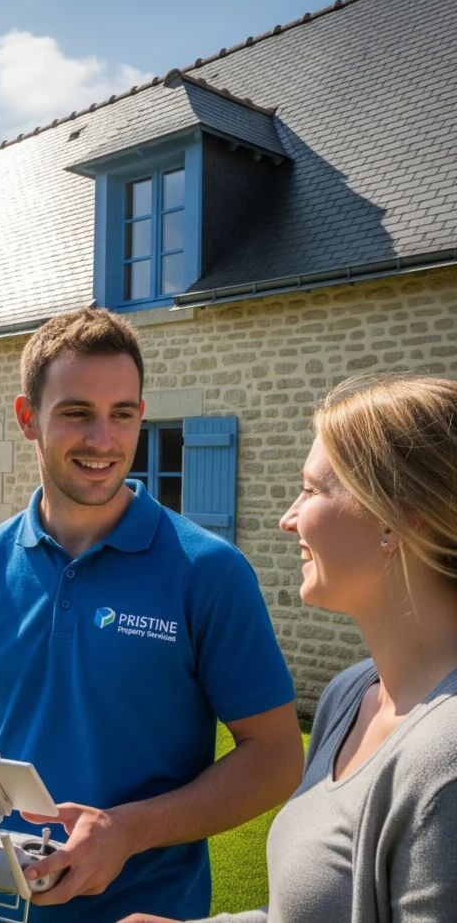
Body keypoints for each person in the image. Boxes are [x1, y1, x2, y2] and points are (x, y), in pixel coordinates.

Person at [0, 308, 303, 923]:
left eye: (122, 414)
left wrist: (127, 830)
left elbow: (277, 756)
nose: (103, 438)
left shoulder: (208, 572)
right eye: (76, 413)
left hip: (142, 913)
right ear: (28, 419)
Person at [119, 374, 457, 923]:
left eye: (312, 489)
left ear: (397, 520)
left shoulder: (446, 762)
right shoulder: (351, 696)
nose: (288, 518)